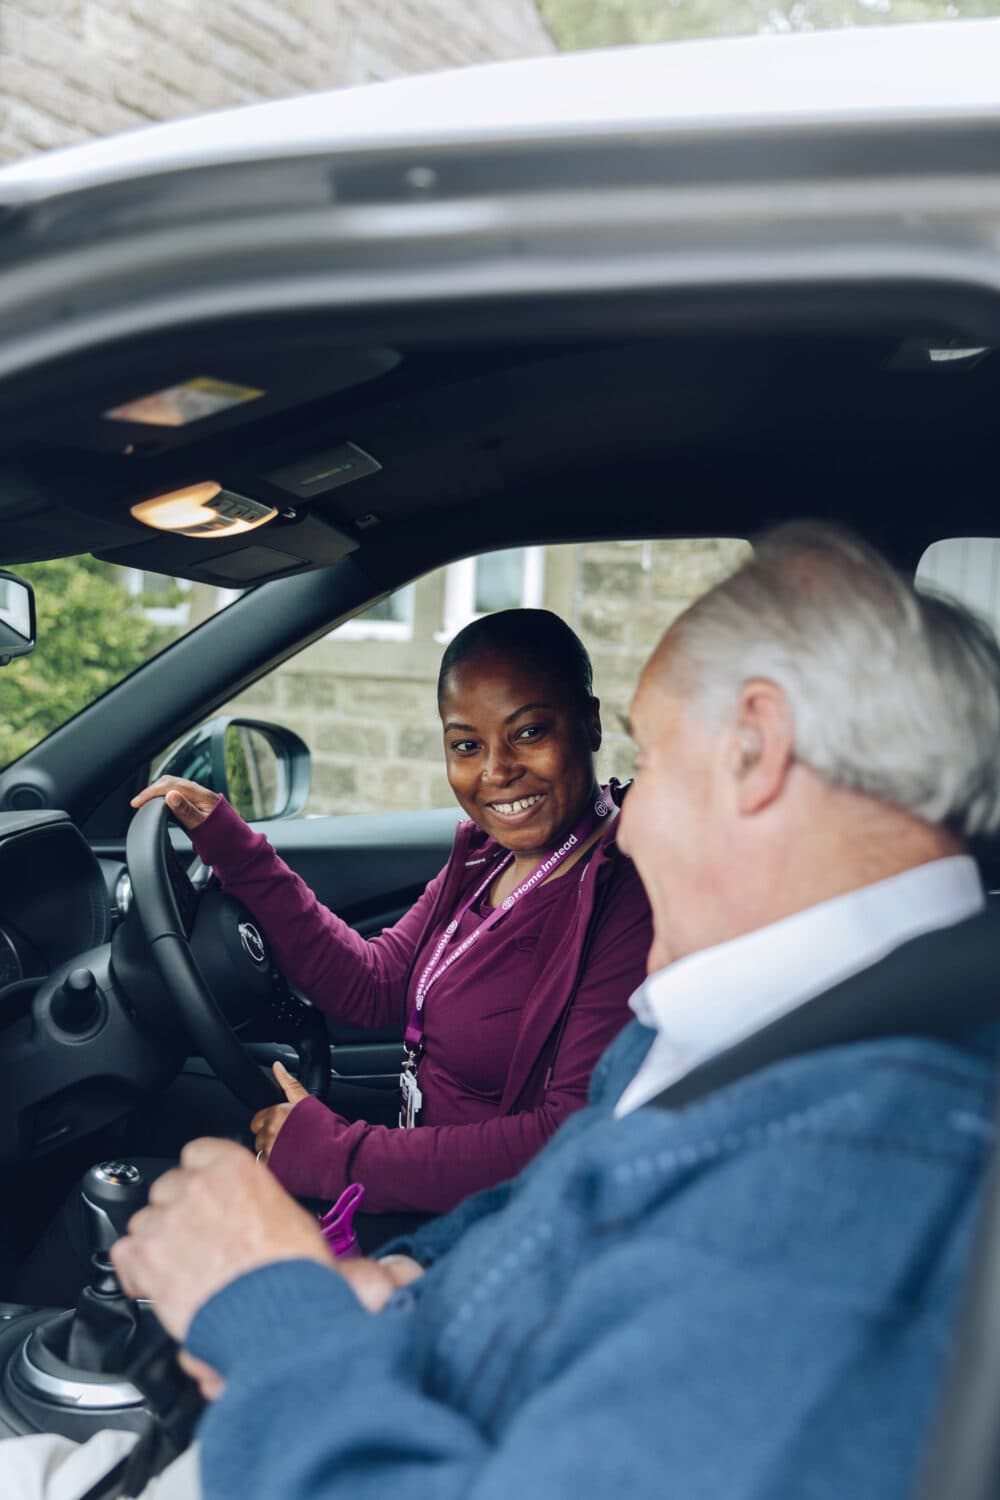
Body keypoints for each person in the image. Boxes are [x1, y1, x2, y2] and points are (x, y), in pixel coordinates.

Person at [7, 521, 1000, 1500]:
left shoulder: (850, 1174)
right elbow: (555, 1203)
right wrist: (408, 1283)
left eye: (649, 761)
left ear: (756, 744)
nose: (632, 814)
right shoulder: (732, 1024)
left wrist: (266, 1307)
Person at [131, 608, 652, 1238]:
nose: (495, 771)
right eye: (466, 745)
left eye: (529, 732)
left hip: (492, 1234)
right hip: (418, 1199)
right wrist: (232, 844)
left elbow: (568, 1135)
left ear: (590, 723)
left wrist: (335, 1154)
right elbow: (371, 983)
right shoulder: (485, 862)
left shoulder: (627, 888)